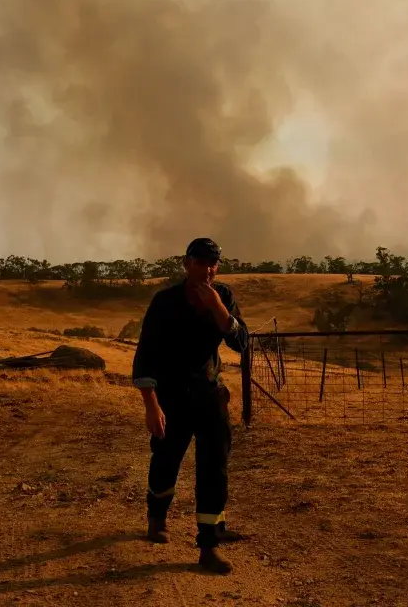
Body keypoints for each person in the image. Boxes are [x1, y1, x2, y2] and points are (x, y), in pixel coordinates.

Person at [131, 237, 250, 575]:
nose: (208, 270)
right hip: (171, 398)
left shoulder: (223, 297)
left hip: (211, 398)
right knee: (166, 460)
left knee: (215, 469)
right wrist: (151, 405)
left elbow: (242, 344)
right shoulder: (165, 302)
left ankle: (209, 543)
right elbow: (146, 355)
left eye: (213, 264)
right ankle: (156, 518)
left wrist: (217, 308)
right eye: (201, 262)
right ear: (187, 264)